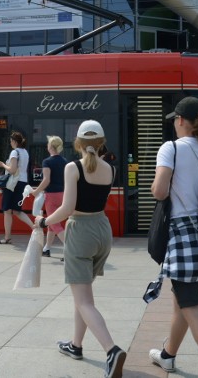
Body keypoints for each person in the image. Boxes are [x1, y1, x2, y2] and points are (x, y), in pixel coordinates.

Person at [144, 97, 198, 378]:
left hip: (183, 239)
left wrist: (157, 185)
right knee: (182, 299)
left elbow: (159, 191)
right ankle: (168, 355)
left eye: (175, 118)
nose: (173, 122)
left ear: (181, 120)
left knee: (192, 306)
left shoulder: (170, 149)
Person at [34, 120, 127, 378]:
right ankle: (76, 345)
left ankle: (112, 350)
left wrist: (44, 221)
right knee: (82, 295)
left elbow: (66, 208)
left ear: (77, 143)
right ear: (101, 142)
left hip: (81, 230)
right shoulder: (111, 169)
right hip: (102, 230)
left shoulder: (73, 168)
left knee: (83, 300)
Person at [28, 135, 67, 258]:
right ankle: (47, 248)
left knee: (54, 224)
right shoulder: (65, 161)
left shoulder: (47, 161)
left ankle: (71, 249)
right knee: (52, 223)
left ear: (50, 146)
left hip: (51, 196)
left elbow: (46, 180)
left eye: (48, 144)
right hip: (63, 195)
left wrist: (36, 191)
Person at [0, 130, 34, 243]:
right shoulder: (25, 152)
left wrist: (3, 165)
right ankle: (34, 227)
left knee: (7, 210)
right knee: (17, 211)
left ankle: (7, 237)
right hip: (22, 182)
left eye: (11, 141)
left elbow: (12, 170)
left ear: (14, 141)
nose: (10, 143)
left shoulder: (14, 152)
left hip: (12, 184)